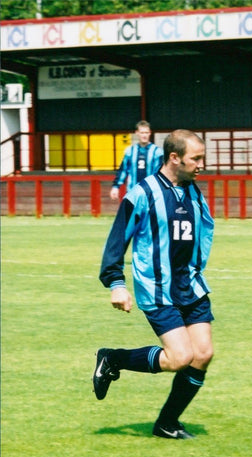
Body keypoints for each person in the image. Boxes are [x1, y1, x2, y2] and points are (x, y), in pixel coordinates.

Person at [94, 129, 214, 440]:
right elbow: (117, 240)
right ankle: (113, 358)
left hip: (192, 286)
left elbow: (201, 234)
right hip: (158, 289)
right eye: (196, 158)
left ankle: (167, 423)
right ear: (175, 158)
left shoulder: (194, 192)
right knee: (179, 358)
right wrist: (116, 283)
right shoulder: (143, 194)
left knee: (203, 354)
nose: (203, 164)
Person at [110, 120, 163, 200]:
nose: (144, 135)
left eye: (146, 132)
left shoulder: (157, 152)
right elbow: (123, 170)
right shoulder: (130, 151)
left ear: (150, 133)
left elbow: (160, 173)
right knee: (132, 212)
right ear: (137, 133)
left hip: (151, 193)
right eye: (142, 133)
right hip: (133, 192)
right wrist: (115, 187)